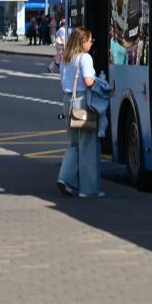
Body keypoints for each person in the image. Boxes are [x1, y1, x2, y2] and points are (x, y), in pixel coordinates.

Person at [56, 27, 103, 198]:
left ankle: (65, 178)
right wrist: (103, 86)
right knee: (88, 145)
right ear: (83, 42)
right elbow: (89, 81)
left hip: (67, 101)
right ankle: (88, 190)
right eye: (90, 40)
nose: (91, 43)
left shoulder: (66, 58)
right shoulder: (85, 58)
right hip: (82, 102)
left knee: (74, 144)